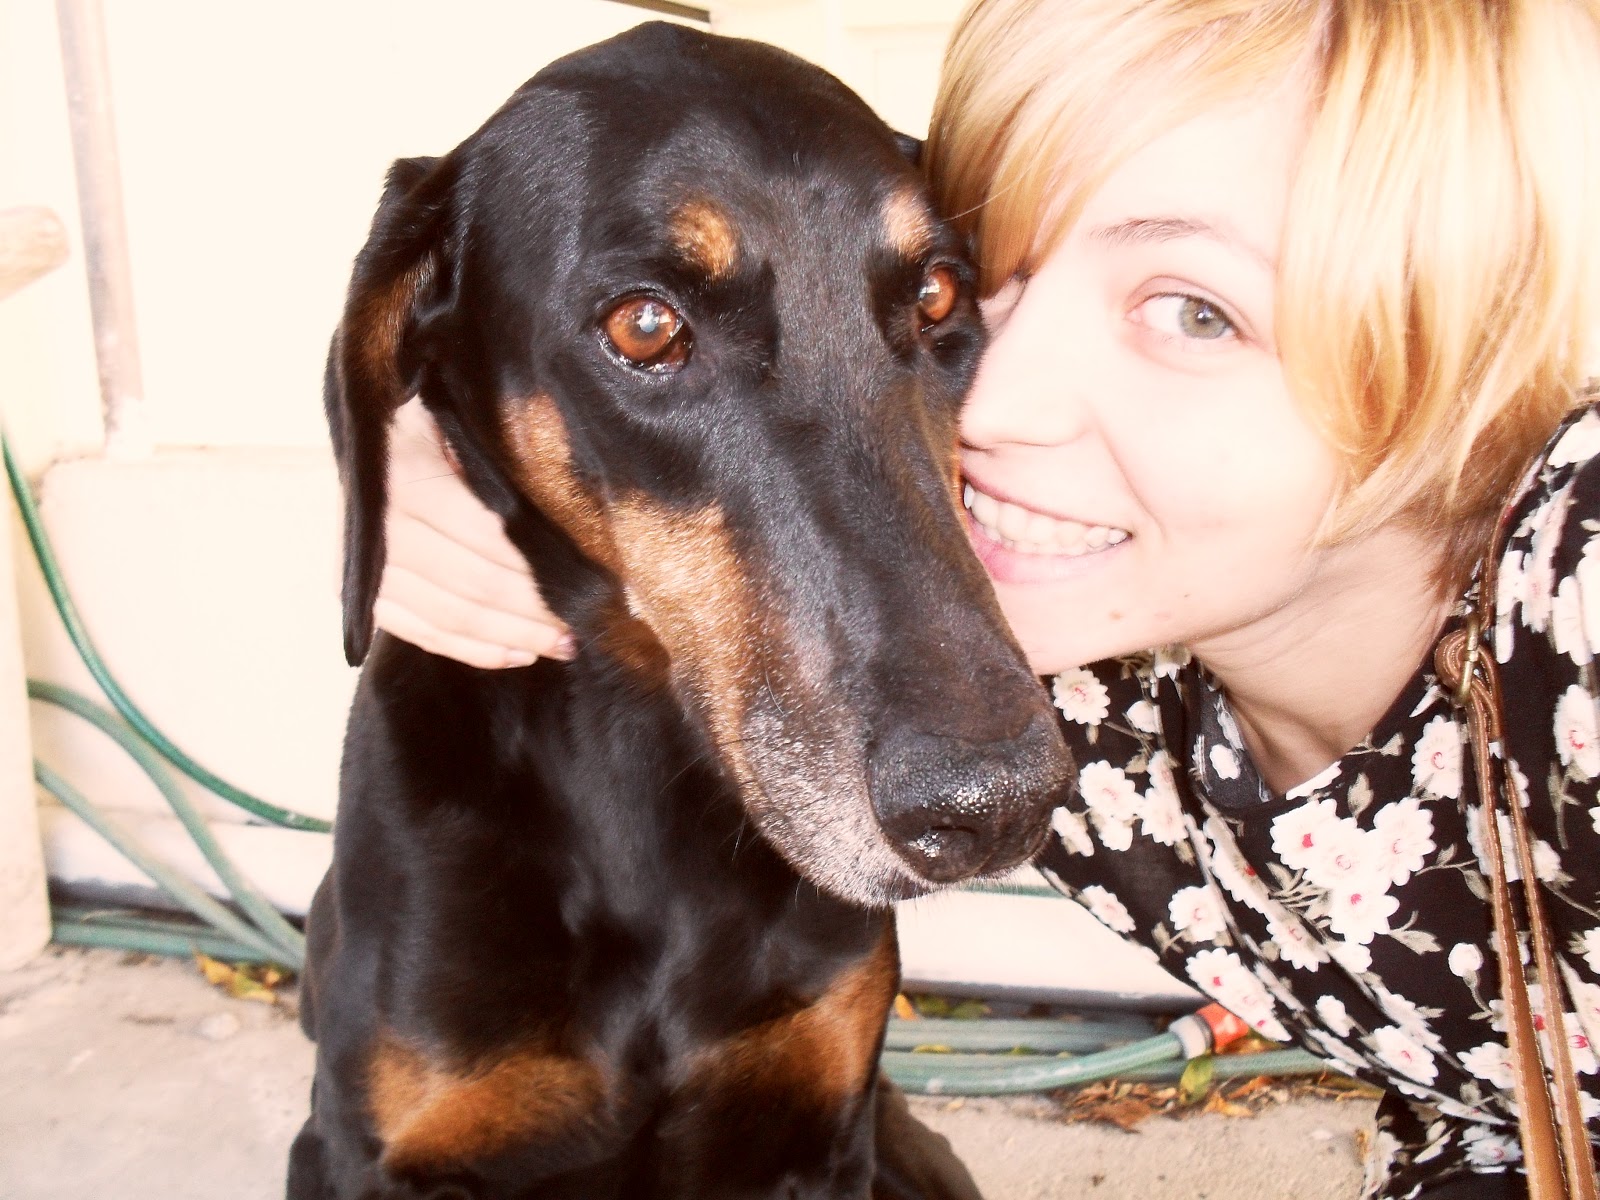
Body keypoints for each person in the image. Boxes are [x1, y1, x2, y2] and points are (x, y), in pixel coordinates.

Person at [366, 2, 1600, 1195]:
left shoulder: (1575, 587)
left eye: (1192, 311)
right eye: (971, 290)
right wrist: (429, 427)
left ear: (1466, 358)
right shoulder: (1079, 683)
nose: (990, 403)